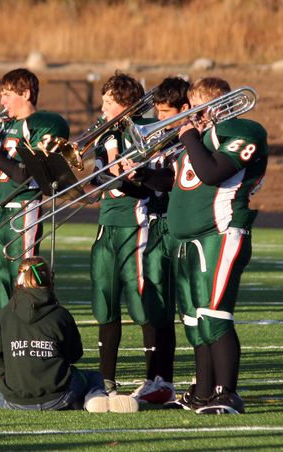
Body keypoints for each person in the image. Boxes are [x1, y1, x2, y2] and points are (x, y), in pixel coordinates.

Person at [165, 77, 268, 414]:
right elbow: (181, 181)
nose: (190, 115)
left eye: (196, 107)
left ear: (213, 106)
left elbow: (212, 173)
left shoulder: (243, 131)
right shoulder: (198, 141)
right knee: (195, 320)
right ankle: (203, 390)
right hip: (190, 239)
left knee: (214, 315)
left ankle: (228, 393)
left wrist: (190, 135)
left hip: (222, 233)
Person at [0, 68, 69, 311]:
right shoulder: (4, 127)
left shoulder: (41, 124)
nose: (1, 101)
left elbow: (24, 174)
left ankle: (25, 337)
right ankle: (6, 335)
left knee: (24, 282)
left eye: (7, 94)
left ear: (26, 93)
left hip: (22, 210)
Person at [0, 255, 138, 412]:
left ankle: (84, 401)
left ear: (19, 279)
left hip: (16, 400)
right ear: (49, 280)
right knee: (94, 377)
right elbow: (74, 355)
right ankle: (93, 398)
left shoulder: (4, 314)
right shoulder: (61, 314)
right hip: (59, 396)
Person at [89, 72, 155, 397]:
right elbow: (95, 183)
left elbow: (149, 183)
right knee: (104, 299)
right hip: (107, 223)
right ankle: (106, 380)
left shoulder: (143, 132)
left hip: (135, 222)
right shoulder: (105, 137)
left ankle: (155, 379)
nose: (102, 109)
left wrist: (125, 176)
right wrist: (104, 173)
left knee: (140, 300)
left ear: (127, 104)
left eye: (109, 102)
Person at [125, 76, 191, 404]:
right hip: (154, 224)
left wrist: (146, 175)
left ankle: (199, 381)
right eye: (159, 111)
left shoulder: (190, 140)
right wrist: (125, 179)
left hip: (178, 227)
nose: (161, 119)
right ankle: (157, 378)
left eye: (167, 112)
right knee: (156, 305)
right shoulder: (159, 138)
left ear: (184, 109)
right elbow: (149, 185)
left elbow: (171, 181)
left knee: (190, 306)